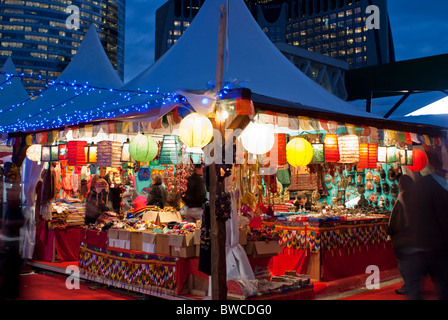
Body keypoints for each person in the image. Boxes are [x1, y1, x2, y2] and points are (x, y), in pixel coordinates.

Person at [406, 151, 448, 300]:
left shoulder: (419, 186)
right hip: (436, 247)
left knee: (415, 290)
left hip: (417, 245)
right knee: (443, 286)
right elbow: (444, 219)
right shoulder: (439, 188)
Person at [387, 174, 419, 296]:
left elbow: (399, 218)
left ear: (402, 184)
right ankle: (412, 285)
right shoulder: (415, 196)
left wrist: (391, 231)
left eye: (399, 182)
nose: (398, 184)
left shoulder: (403, 197)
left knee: (404, 263)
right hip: (413, 235)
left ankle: (409, 286)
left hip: (403, 236)